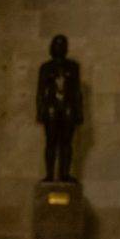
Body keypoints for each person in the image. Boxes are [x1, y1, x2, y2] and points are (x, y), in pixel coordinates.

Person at [36, 34, 83, 182]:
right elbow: (40, 91)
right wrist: (40, 110)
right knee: (51, 142)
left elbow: (77, 91)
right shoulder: (46, 67)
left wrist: (79, 111)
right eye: (57, 44)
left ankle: (65, 174)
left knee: (66, 143)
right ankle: (50, 174)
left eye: (62, 44)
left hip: (68, 108)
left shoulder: (73, 67)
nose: (60, 47)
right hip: (51, 108)